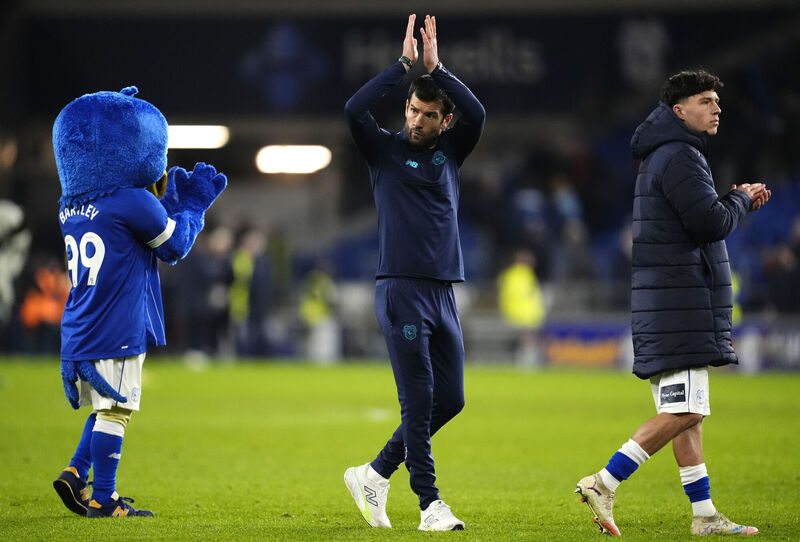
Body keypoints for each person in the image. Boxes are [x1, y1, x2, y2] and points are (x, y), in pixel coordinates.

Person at [575, 69, 770, 536]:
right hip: (679, 304)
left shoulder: (666, 155)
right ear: (679, 111)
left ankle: (703, 516)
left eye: (717, 101)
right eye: (706, 101)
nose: (717, 108)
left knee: (688, 416)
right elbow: (708, 222)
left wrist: (733, 200)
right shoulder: (681, 156)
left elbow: (696, 219)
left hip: (669, 302)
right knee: (687, 411)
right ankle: (603, 482)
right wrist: (740, 200)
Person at [51, 87, 226, 518]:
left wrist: (165, 203)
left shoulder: (70, 206)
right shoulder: (131, 198)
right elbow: (174, 245)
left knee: (103, 406)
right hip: (116, 323)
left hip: (79, 322)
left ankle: (76, 474)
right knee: (118, 411)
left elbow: (132, 236)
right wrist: (194, 204)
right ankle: (104, 498)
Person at [342, 13, 485, 532]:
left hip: (444, 292)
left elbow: (479, 112)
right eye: (413, 109)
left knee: (452, 399)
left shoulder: (451, 151)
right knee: (420, 397)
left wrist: (437, 69)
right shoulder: (383, 150)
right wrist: (404, 65)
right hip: (399, 289)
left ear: (444, 121)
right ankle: (430, 505)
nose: (417, 120)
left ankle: (375, 473)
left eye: (428, 114)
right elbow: (354, 108)